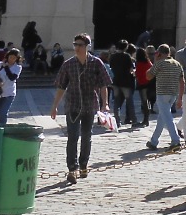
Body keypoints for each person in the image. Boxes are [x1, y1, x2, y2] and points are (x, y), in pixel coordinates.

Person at [50, 33, 112, 183]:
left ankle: (83, 164)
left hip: (90, 105)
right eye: (75, 44)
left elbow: (104, 84)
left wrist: (105, 104)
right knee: (72, 137)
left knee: (86, 136)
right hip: (73, 105)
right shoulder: (68, 64)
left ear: (87, 46)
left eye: (80, 45)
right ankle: (72, 169)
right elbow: (61, 87)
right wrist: (55, 106)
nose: (77, 48)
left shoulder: (96, 63)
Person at [145, 45, 185, 151]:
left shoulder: (159, 63)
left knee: (167, 118)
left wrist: (154, 61)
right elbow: (182, 81)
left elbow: (148, 76)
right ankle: (154, 141)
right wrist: (180, 97)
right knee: (162, 118)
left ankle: (176, 140)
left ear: (159, 53)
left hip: (162, 93)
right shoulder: (177, 64)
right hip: (173, 94)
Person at [0, 48, 23, 126]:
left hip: (9, 92)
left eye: (14, 58)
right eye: (10, 57)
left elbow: (12, 77)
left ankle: (3, 127)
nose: (11, 59)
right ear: (7, 57)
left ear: (17, 59)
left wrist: (6, 67)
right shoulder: (0, 64)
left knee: (3, 112)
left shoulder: (18, 67)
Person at [109, 41, 137, 127]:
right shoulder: (126, 56)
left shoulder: (112, 56)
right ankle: (134, 120)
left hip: (116, 81)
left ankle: (117, 121)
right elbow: (131, 69)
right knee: (129, 101)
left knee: (117, 102)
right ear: (125, 47)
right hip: (126, 81)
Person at [133, 45, 153, 127]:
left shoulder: (138, 63)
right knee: (147, 102)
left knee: (144, 102)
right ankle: (146, 119)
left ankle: (145, 120)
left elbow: (137, 73)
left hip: (142, 84)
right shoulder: (148, 62)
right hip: (149, 83)